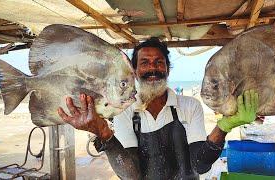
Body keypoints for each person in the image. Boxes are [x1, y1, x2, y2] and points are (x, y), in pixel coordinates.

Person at [58, 37, 258, 179]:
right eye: (144, 63)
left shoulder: (189, 106)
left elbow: (201, 165)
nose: (152, 68)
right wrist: (103, 133)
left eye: (159, 63)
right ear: (135, 72)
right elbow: (131, 175)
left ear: (167, 69)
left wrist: (224, 126)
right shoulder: (125, 111)